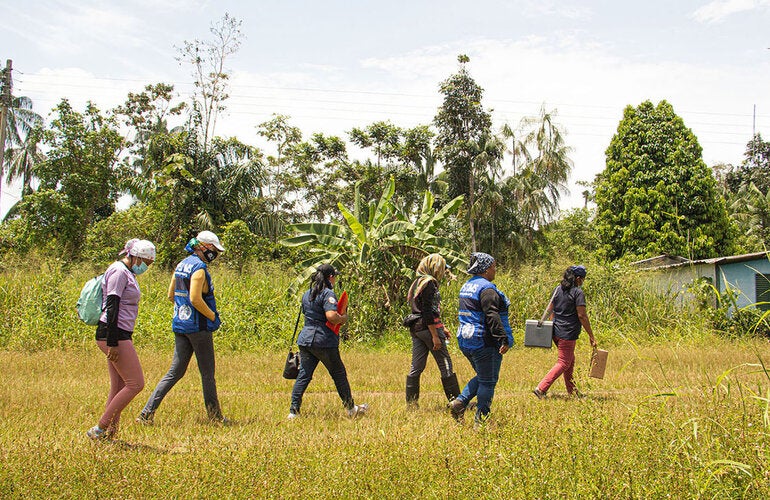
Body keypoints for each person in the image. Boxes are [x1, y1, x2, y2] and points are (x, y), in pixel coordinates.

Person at [138, 230, 228, 424]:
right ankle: (215, 417)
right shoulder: (199, 268)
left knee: (175, 372)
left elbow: (171, 295)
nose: (215, 254)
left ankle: (146, 413)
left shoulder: (181, 265)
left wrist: (183, 313)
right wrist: (213, 316)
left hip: (180, 325)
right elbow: (195, 299)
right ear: (204, 247)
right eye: (214, 249)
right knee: (207, 374)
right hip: (199, 328)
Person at [87, 239, 156, 440]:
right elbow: (112, 305)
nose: (146, 267)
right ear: (135, 256)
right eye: (145, 262)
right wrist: (113, 342)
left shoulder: (129, 273)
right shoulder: (118, 271)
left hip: (120, 333)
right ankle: (99, 429)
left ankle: (110, 434)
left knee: (118, 386)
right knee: (136, 384)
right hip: (113, 333)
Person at [288, 264, 368, 420]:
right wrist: (343, 318)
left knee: (304, 375)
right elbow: (331, 316)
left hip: (305, 340)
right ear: (330, 277)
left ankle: (293, 411)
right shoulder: (328, 294)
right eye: (334, 276)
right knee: (339, 374)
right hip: (323, 341)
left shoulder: (307, 294)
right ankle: (351, 408)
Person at [450, 252, 513, 426]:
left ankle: (459, 403)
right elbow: (492, 315)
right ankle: (481, 422)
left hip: (465, 339)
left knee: (484, 376)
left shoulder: (467, 286)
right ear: (485, 269)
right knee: (488, 381)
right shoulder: (487, 289)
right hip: (483, 340)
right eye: (493, 267)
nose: (495, 270)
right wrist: (503, 338)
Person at [405, 253, 460, 409]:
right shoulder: (429, 283)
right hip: (427, 328)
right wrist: (435, 335)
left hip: (416, 328)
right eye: (442, 268)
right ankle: (456, 402)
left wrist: (442, 327)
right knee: (445, 364)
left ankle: (411, 405)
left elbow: (422, 310)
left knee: (416, 366)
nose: (443, 272)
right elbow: (428, 312)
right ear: (435, 267)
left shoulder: (417, 282)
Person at [533, 265, 597, 399]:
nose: (582, 282)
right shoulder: (577, 292)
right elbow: (582, 316)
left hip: (556, 332)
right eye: (583, 279)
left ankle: (572, 392)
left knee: (569, 361)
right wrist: (591, 335)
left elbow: (551, 310)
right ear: (578, 279)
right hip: (567, 333)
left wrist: (553, 326)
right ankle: (541, 388)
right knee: (563, 362)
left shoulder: (557, 290)